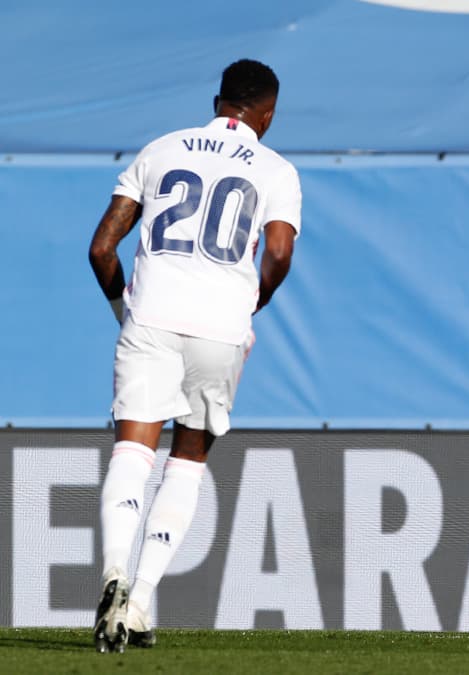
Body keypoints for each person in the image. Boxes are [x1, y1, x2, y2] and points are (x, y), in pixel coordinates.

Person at [87, 59, 301, 653]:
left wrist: (122, 311)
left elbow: (103, 247)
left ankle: (112, 574)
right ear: (268, 113)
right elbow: (278, 254)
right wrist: (250, 303)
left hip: (150, 316)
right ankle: (141, 598)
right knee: (187, 458)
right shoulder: (275, 168)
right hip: (220, 327)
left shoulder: (160, 149)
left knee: (133, 449)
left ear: (217, 100)